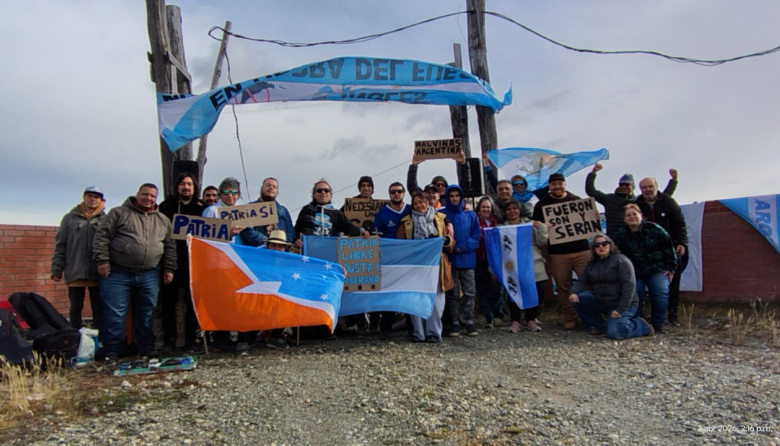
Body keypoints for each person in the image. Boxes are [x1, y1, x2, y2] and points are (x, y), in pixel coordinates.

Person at [93, 183, 176, 365]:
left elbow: (170, 246)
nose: (148, 198)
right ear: (137, 194)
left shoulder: (162, 219)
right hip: (117, 273)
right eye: (145, 194)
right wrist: (102, 260)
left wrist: (169, 268)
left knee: (146, 312)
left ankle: (146, 349)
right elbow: (102, 237)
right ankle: (112, 352)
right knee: (116, 314)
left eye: (153, 196)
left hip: (149, 273)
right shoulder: (118, 213)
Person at [202, 177, 264, 352]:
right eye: (227, 192)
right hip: (217, 263)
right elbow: (204, 235)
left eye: (234, 192)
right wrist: (226, 232)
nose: (230, 195)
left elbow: (250, 235)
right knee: (220, 302)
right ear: (220, 194)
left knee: (237, 300)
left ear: (238, 195)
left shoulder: (242, 212)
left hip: (237, 262)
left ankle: (239, 337)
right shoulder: (212, 210)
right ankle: (220, 340)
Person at [532, 173, 592, 329]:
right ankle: (570, 317)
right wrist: (540, 225)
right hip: (557, 253)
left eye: (560, 183)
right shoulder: (541, 204)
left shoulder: (577, 200)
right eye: (553, 184)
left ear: (565, 184)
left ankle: (590, 316)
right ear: (549, 186)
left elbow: (590, 224)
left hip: (582, 250)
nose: (557, 186)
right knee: (562, 287)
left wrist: (593, 217)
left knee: (589, 283)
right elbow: (537, 228)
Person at [568, 234, 654, 339]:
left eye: (604, 244)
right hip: (603, 300)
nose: (601, 247)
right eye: (597, 245)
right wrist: (573, 292)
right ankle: (598, 325)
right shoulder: (592, 263)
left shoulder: (621, 260)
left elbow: (629, 287)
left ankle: (642, 326)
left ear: (611, 245)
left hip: (624, 303)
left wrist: (620, 309)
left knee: (616, 333)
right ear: (593, 249)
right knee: (579, 298)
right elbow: (582, 281)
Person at [396, 191, 454, 343]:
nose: (419, 205)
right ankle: (418, 332)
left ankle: (433, 333)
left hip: (437, 266)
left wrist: (443, 240)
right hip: (416, 267)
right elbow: (400, 245)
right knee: (416, 299)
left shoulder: (441, 220)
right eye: (415, 203)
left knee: (436, 301)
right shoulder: (406, 222)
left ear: (427, 203)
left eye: (421, 202)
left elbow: (451, 243)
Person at [614, 204, 678, 333]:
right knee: (633, 294)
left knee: (660, 292)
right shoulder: (620, 234)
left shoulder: (655, 229)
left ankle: (658, 324)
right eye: (628, 215)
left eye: (634, 214)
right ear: (624, 218)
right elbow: (616, 254)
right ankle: (635, 323)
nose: (632, 217)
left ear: (640, 215)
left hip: (657, 270)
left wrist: (671, 268)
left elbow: (669, 248)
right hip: (635, 273)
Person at [51, 186, 106, 334]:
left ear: (102, 200)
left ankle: (99, 338)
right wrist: (57, 268)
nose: (93, 199)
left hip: (98, 271)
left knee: (98, 307)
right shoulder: (69, 218)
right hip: (75, 269)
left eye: (96, 196)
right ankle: (74, 338)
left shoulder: (106, 219)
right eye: (90, 195)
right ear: (84, 197)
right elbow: (61, 245)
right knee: (75, 307)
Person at [158, 173, 204, 351]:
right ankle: (169, 340)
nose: (186, 187)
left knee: (193, 303)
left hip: (194, 262)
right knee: (168, 302)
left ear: (194, 187)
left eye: (190, 185)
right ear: (177, 186)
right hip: (170, 260)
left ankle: (191, 339)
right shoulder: (166, 207)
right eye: (183, 184)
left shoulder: (201, 208)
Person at [635, 176, 688, 327]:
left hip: (670, 248)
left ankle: (672, 314)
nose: (647, 190)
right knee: (648, 283)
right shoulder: (637, 204)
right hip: (647, 251)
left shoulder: (668, 202)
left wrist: (682, 242)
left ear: (656, 187)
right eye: (644, 187)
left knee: (673, 282)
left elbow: (680, 224)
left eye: (650, 186)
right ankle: (648, 314)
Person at [586, 164, 678, 237]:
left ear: (632, 186)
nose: (623, 187)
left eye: (627, 184)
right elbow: (591, 191)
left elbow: (662, 197)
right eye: (621, 184)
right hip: (614, 240)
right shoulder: (609, 199)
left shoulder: (638, 201)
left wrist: (673, 180)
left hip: (634, 240)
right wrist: (593, 172)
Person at [440, 184, 481, 337]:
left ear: (461, 197)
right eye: (451, 196)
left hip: (467, 259)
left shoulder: (471, 215)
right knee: (453, 294)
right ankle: (455, 322)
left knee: (470, 292)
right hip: (450, 260)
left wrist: (461, 247)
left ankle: (469, 320)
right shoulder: (442, 215)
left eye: (457, 195)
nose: (454, 198)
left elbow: (476, 236)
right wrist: (451, 245)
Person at [502, 200, 548, 333]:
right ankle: (515, 320)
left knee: (535, 290)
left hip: (531, 261)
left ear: (520, 210)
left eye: (515, 208)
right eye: (509, 209)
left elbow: (541, 241)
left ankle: (531, 319)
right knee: (513, 291)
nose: (512, 211)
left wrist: (541, 227)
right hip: (511, 264)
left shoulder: (530, 224)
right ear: (505, 212)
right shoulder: (501, 228)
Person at [294, 179, 367, 249]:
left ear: (330, 194)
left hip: (329, 253)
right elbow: (297, 229)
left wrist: (362, 231)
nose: (323, 192)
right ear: (314, 194)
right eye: (319, 190)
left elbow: (349, 228)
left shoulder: (336, 213)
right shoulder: (306, 209)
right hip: (309, 253)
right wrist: (296, 241)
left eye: (326, 190)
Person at [474, 196, 503, 328]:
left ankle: (498, 314)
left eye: (488, 207)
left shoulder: (497, 222)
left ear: (492, 209)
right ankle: (488, 317)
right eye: (483, 207)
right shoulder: (474, 221)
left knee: (497, 288)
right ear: (479, 208)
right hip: (479, 260)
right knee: (482, 289)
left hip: (495, 260)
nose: (486, 209)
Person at [406, 151, 471, 206]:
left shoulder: (452, 200)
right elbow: (412, 187)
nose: (440, 187)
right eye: (437, 185)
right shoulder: (423, 200)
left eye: (443, 185)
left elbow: (465, 184)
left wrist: (463, 163)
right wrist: (414, 166)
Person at [251, 177, 295, 244]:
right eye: (268, 185)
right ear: (261, 188)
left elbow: (291, 232)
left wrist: (280, 243)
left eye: (274, 187)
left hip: (278, 250)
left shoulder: (283, 211)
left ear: (277, 191)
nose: (271, 188)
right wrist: (268, 242)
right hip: (256, 250)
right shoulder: (251, 207)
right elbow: (247, 230)